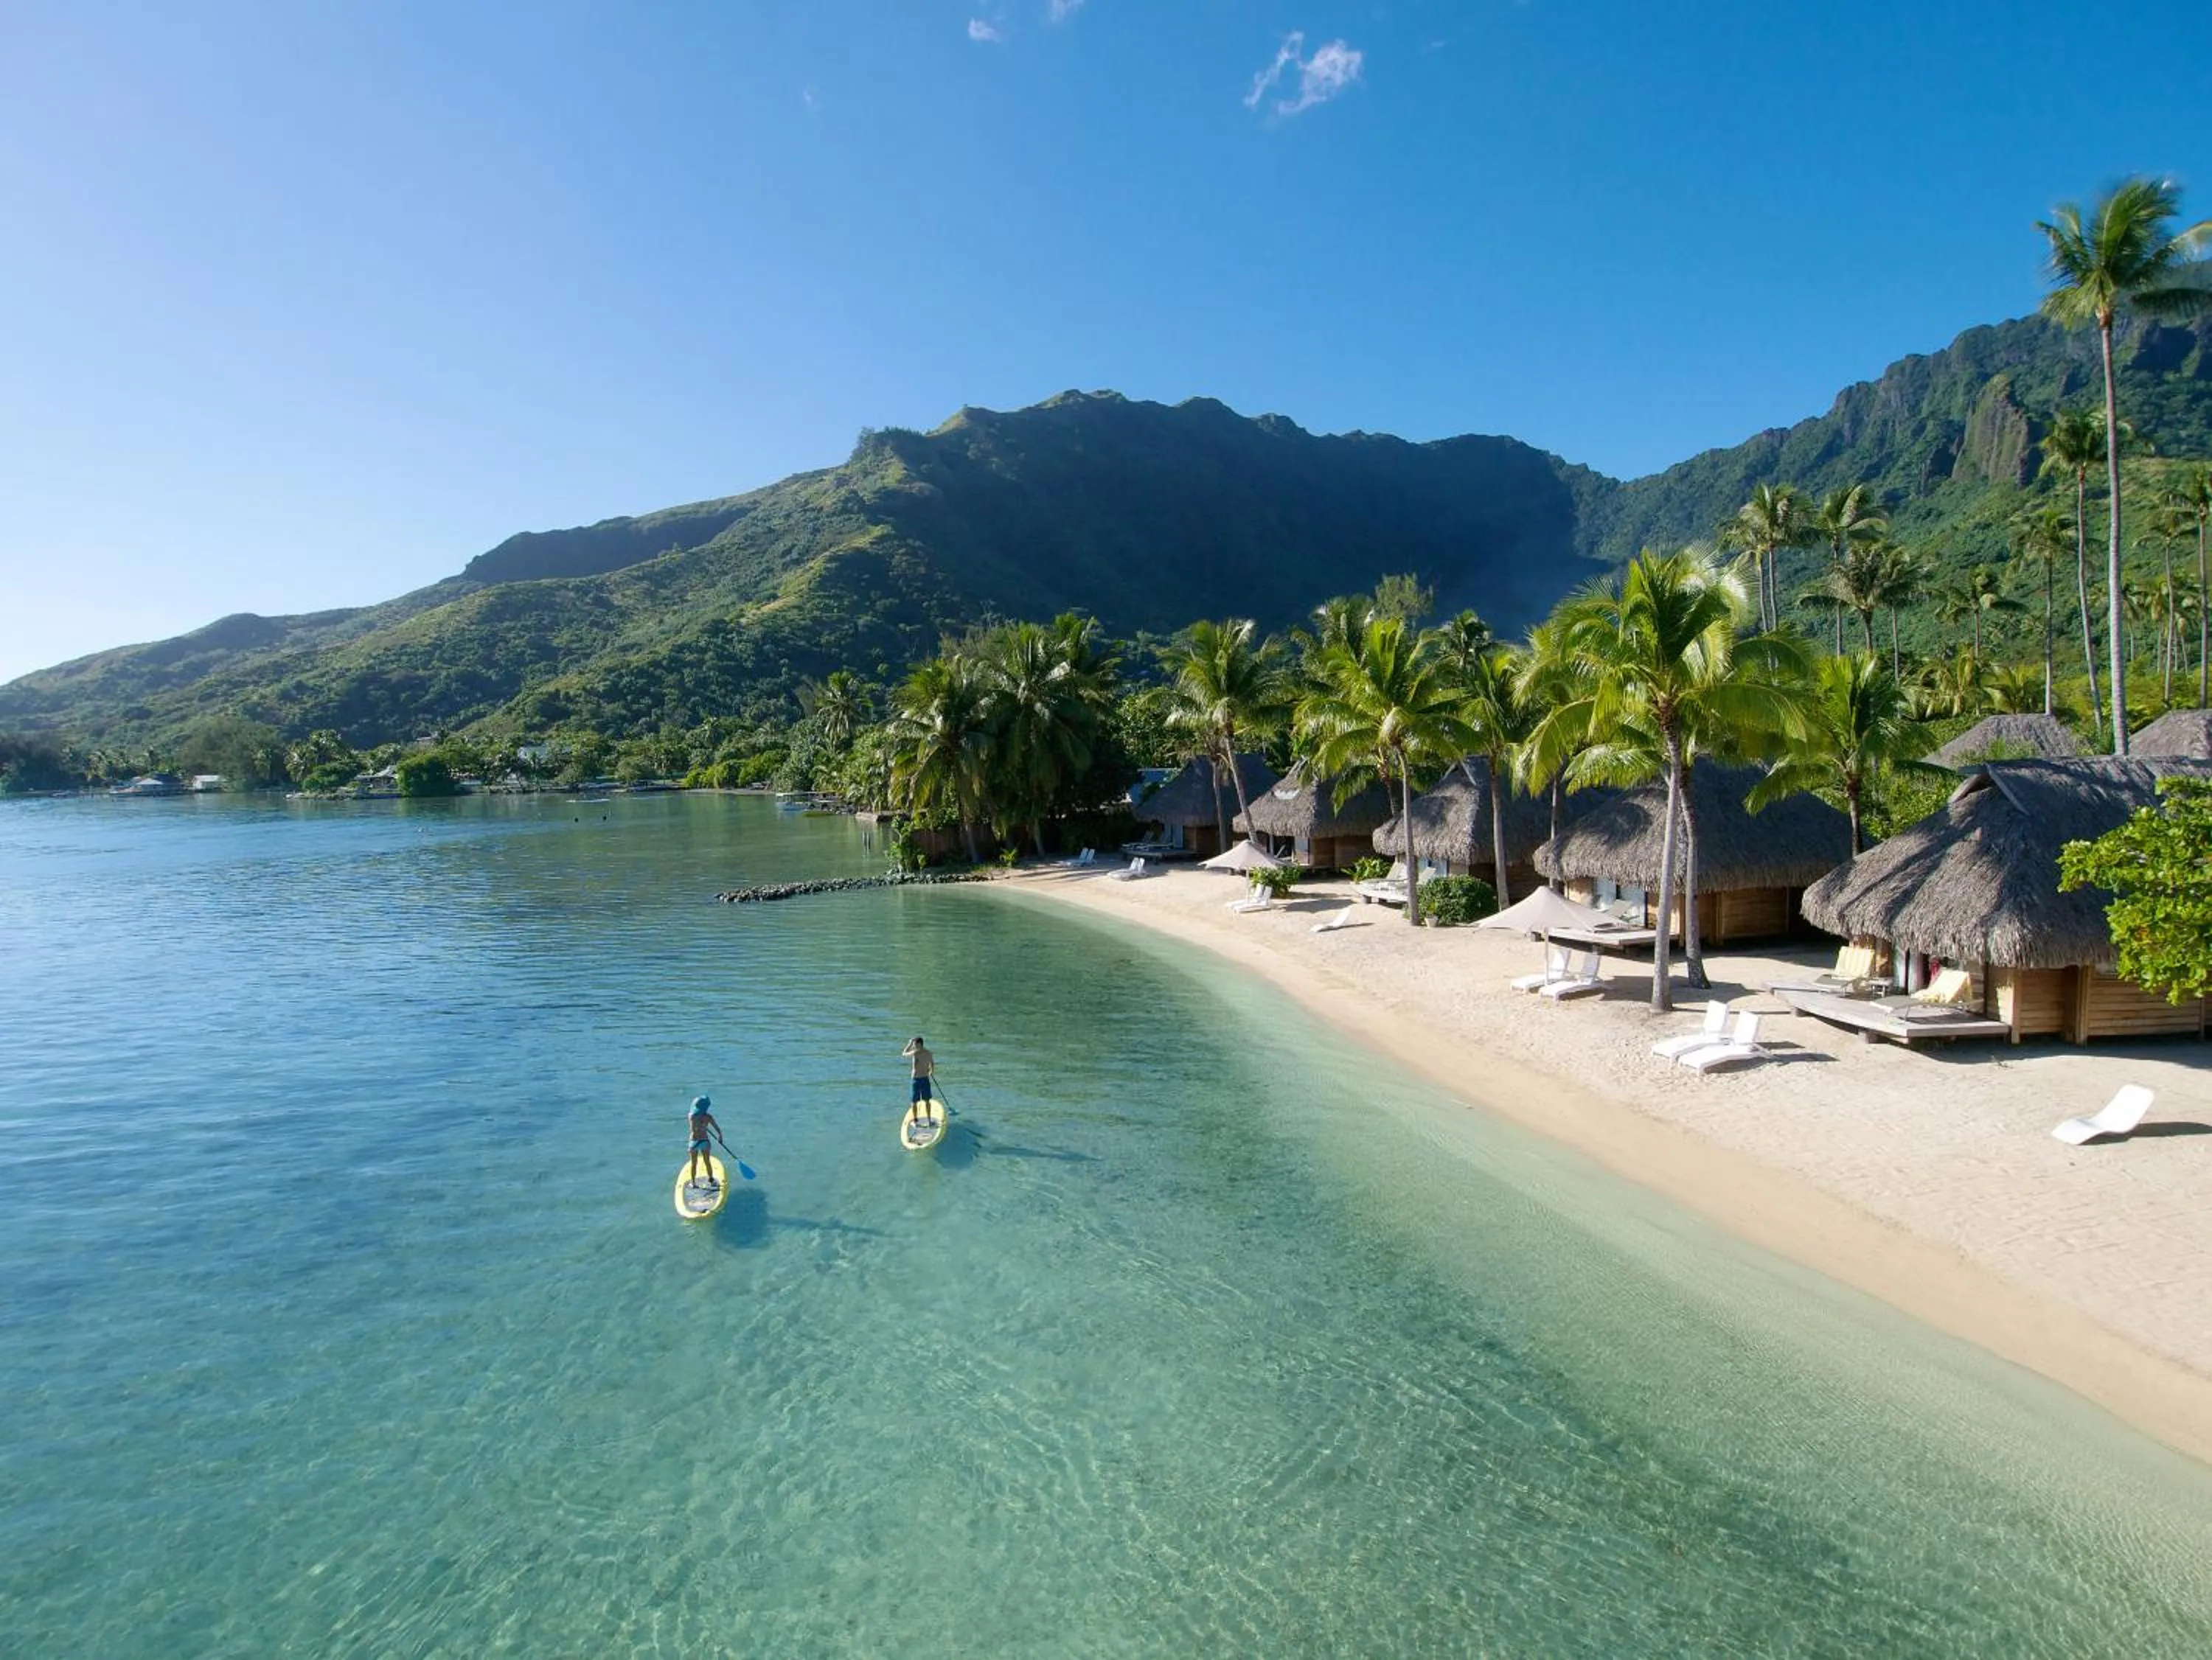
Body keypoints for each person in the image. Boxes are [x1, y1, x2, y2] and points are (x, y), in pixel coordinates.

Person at [686, 1095, 721, 1189]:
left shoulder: (691, 1116)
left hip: (694, 1142)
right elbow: (717, 1128)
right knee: (707, 1161)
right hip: (705, 1141)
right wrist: (720, 1136)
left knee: (694, 1163)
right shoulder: (708, 1117)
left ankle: (693, 1183)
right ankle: (711, 1180)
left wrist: (699, 1126)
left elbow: (693, 1130)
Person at [902, 1037, 936, 1128]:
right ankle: (929, 1121)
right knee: (927, 1100)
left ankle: (916, 1121)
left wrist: (909, 1044)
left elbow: (904, 1053)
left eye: (915, 1045)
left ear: (920, 1044)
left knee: (914, 1101)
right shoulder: (929, 1053)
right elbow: (932, 1063)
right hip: (925, 1078)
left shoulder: (915, 1053)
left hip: (916, 1079)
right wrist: (931, 1071)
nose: (913, 1046)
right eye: (913, 1045)